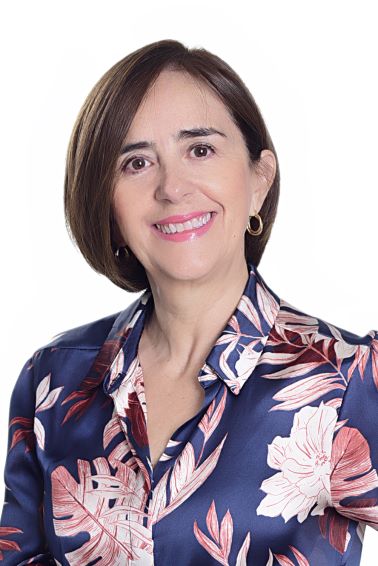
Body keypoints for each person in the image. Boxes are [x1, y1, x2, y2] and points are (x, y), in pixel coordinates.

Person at [0, 39, 377, 566]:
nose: (172, 187)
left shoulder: (346, 379)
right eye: (135, 162)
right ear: (106, 204)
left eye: (200, 150)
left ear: (258, 181)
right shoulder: (54, 381)